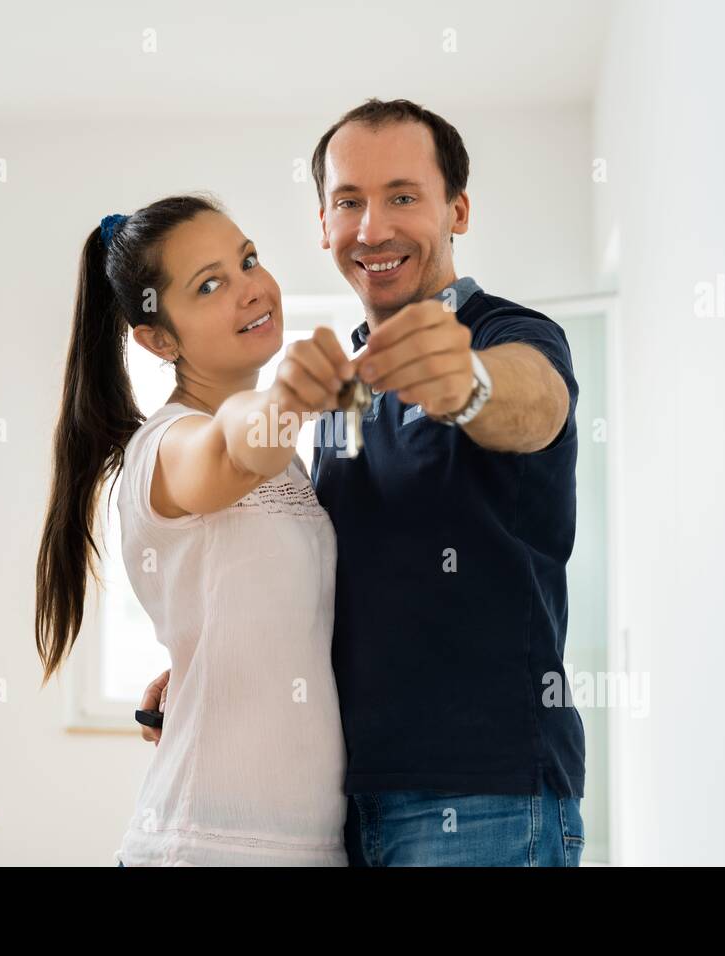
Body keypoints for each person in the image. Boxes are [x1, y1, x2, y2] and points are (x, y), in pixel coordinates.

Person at [143, 99, 587, 866]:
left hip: (483, 800)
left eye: (404, 197)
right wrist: (225, 657)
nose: (373, 228)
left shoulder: (509, 337)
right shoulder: (337, 390)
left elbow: (536, 403)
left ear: (459, 210)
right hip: (347, 805)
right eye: (350, 201)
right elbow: (345, 582)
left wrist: (469, 383)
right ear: (323, 224)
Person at [35, 194, 357, 865]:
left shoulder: (291, 464)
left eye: (248, 261)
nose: (250, 290)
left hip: (303, 843)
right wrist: (291, 395)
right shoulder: (171, 444)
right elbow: (234, 446)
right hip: (204, 844)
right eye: (210, 285)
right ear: (158, 337)